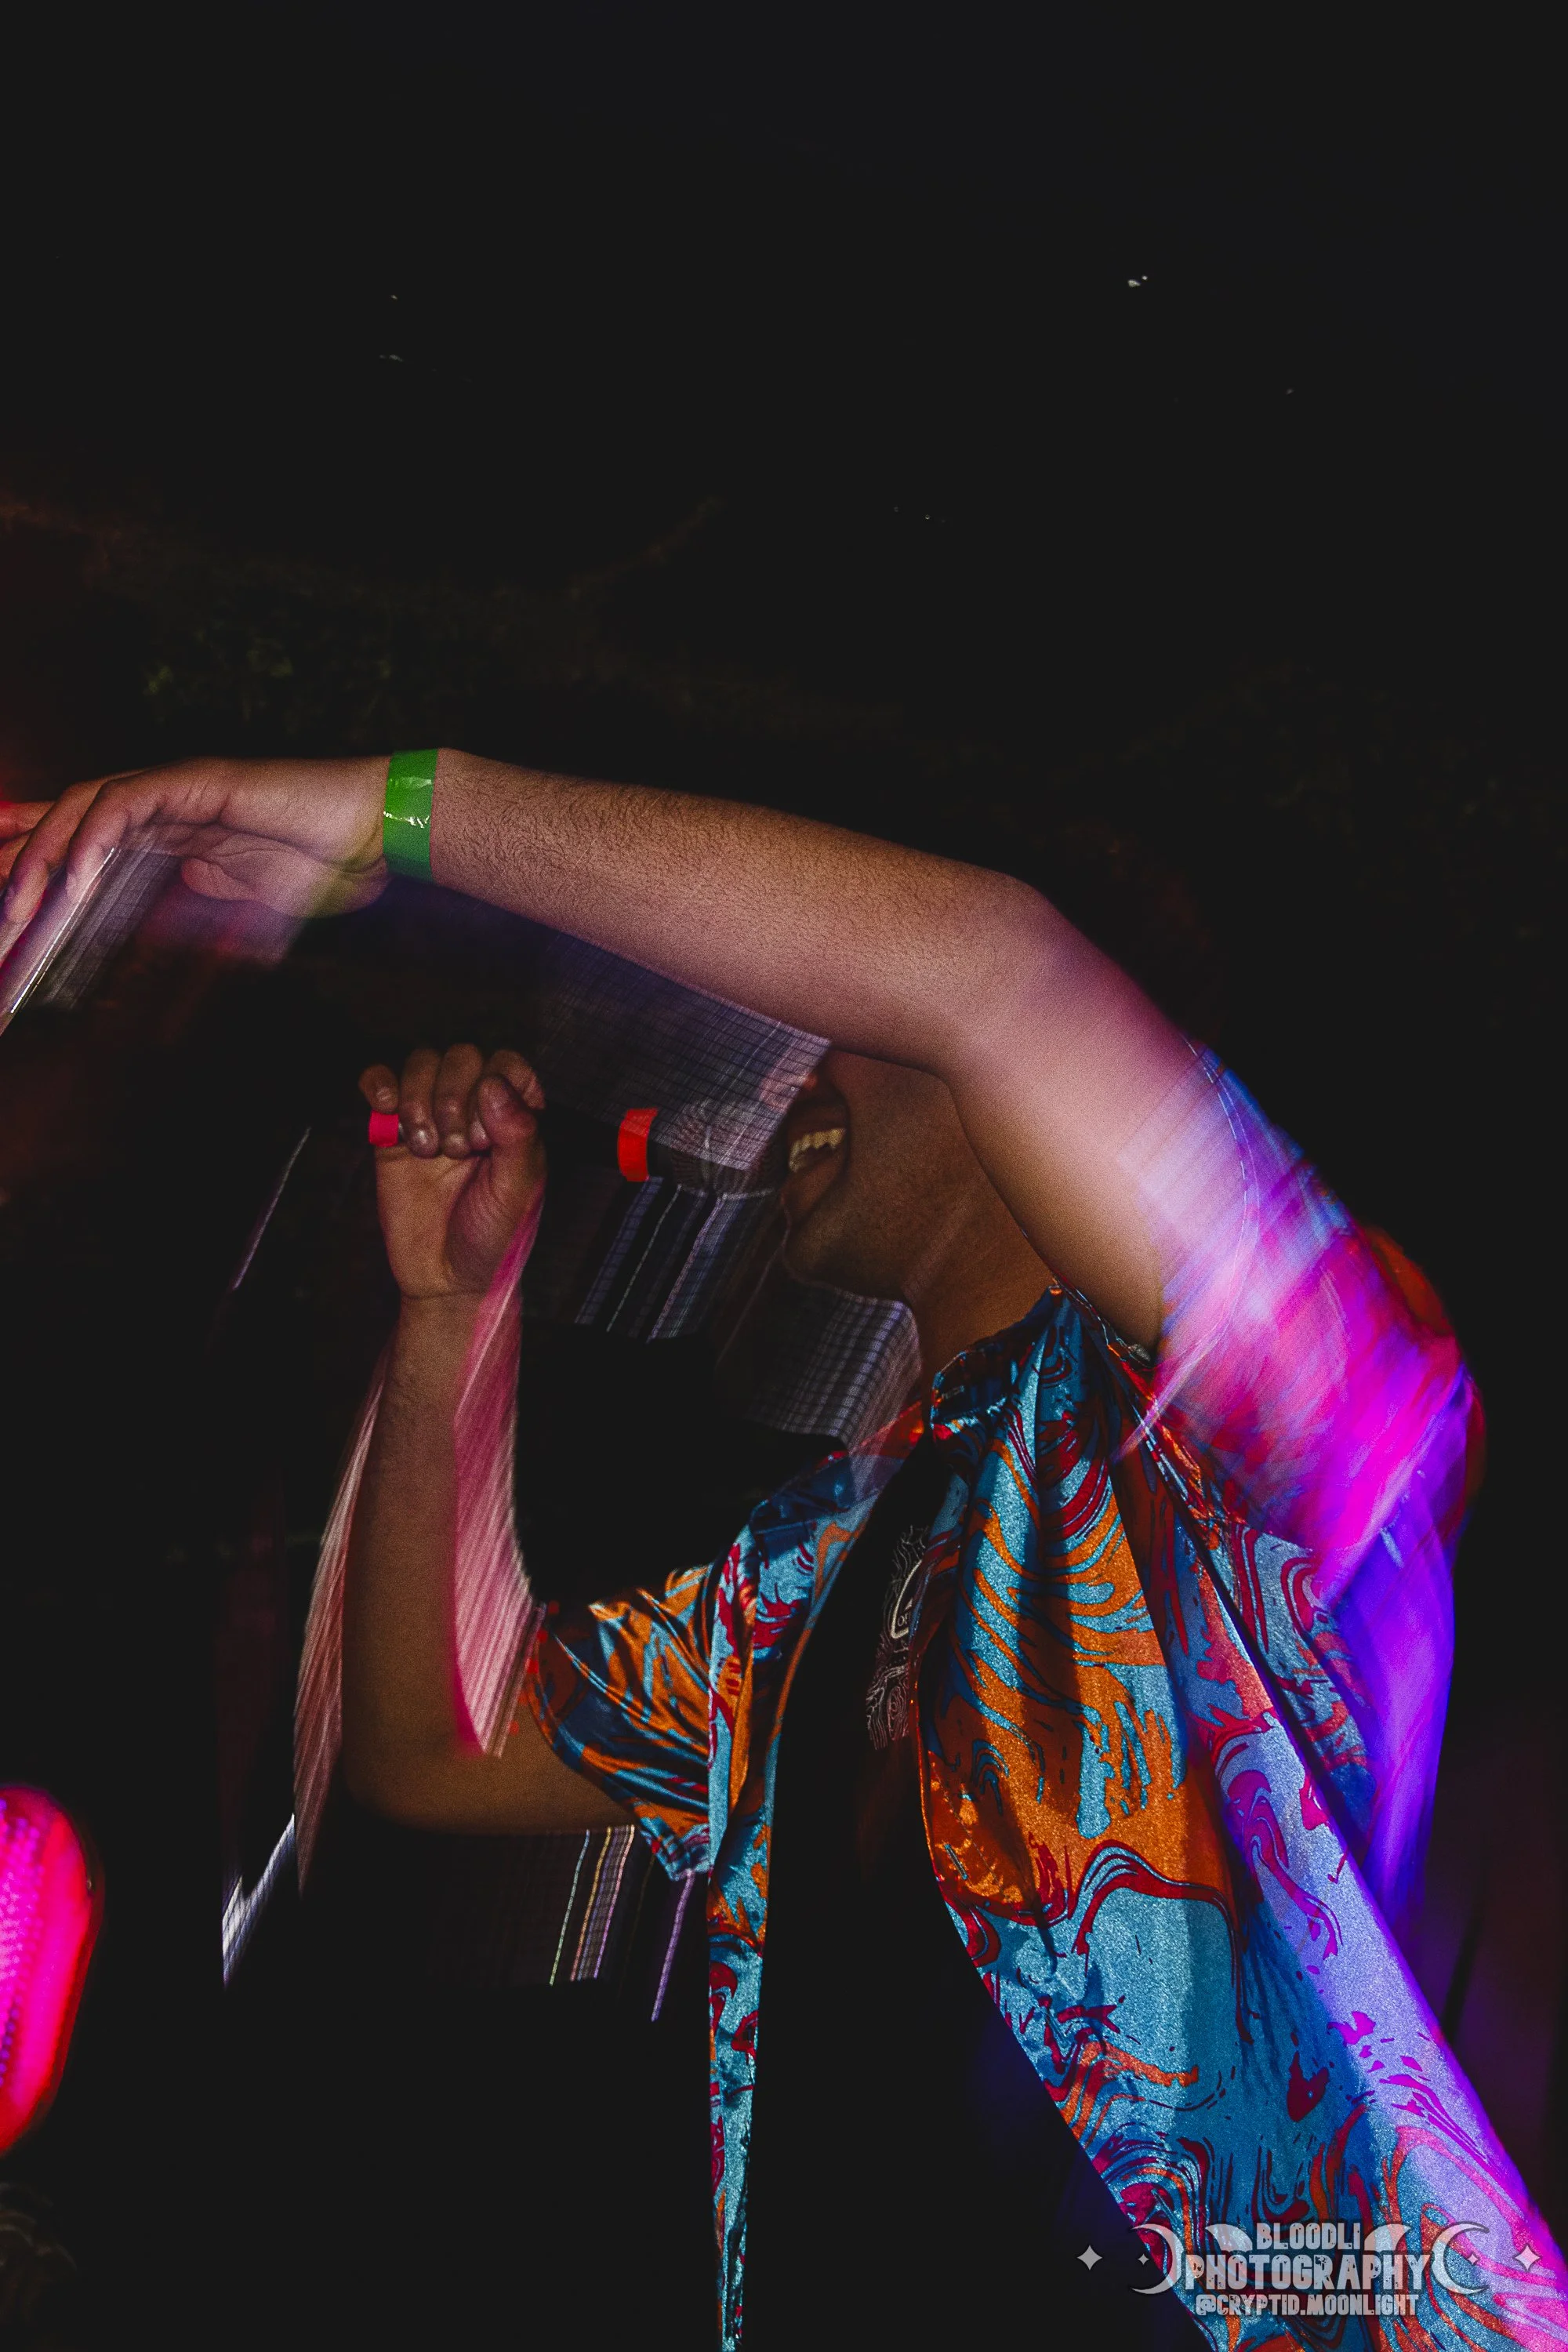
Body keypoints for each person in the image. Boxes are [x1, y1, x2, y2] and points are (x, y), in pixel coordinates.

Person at [1, 753, 1556, 2350]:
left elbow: (994, 972)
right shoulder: (839, 1551)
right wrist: (457, 1313)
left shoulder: (1278, 1388)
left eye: (838, 1024)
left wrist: (401, 812)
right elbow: (438, 1742)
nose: (793, 1075)